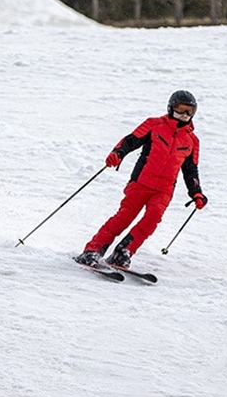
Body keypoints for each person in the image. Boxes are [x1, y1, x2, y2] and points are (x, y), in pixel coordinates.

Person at [76, 90, 208, 269]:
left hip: (164, 189)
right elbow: (130, 141)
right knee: (124, 217)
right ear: (171, 108)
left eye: (189, 111)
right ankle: (93, 250)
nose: (184, 115)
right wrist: (118, 153)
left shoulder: (192, 141)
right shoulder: (154, 125)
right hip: (141, 183)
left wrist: (197, 192)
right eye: (180, 109)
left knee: (151, 221)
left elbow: (191, 170)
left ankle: (123, 253)